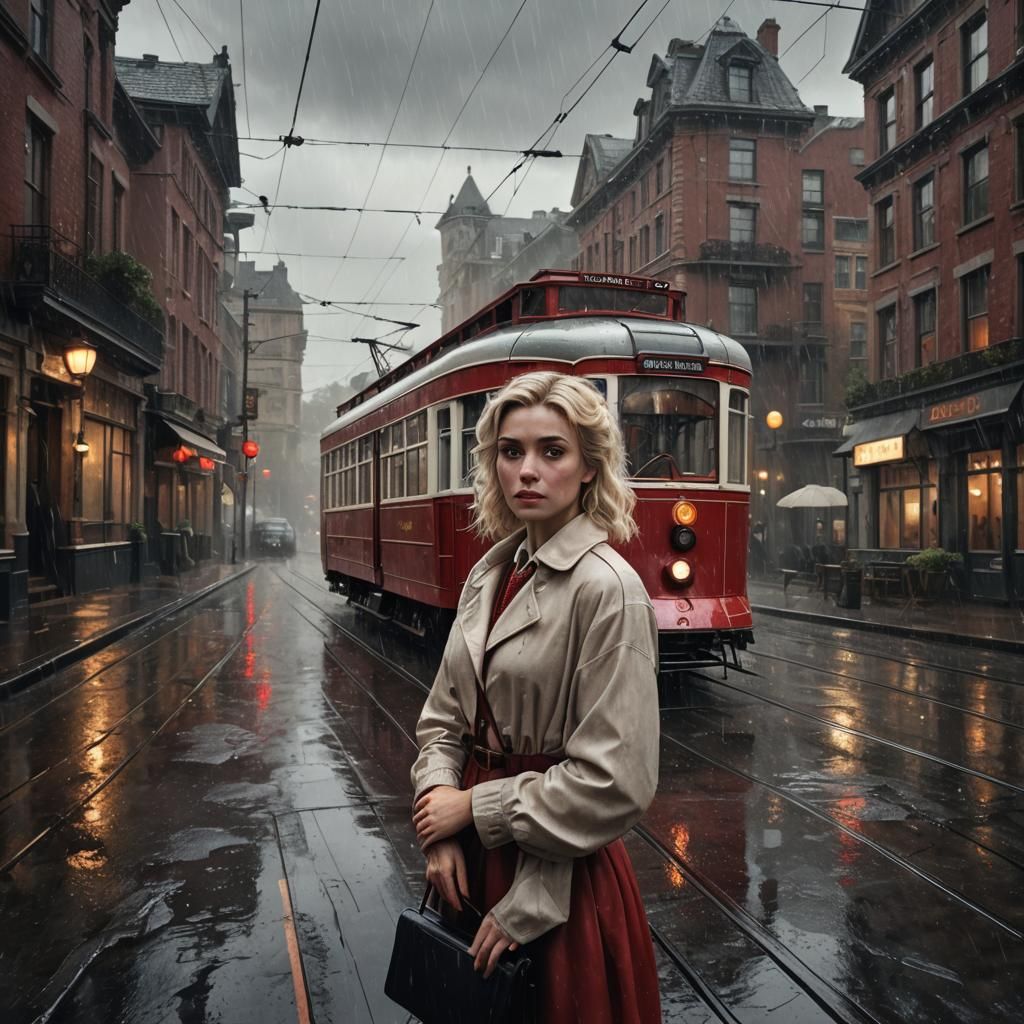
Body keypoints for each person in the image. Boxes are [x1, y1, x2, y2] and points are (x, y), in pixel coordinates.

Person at [410, 371, 661, 1023]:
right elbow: (442, 721)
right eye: (510, 451)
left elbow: (616, 782)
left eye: (552, 451)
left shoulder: (609, 589)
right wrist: (437, 823)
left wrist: (473, 807)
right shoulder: (488, 574)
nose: (527, 469)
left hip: (564, 882)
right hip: (466, 863)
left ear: (588, 469)